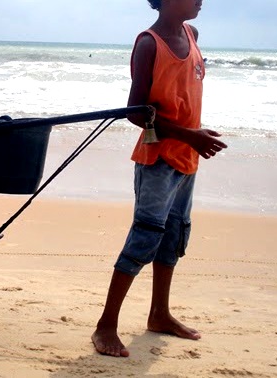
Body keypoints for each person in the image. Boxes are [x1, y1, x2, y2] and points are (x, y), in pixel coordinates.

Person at [91, 0, 227, 358]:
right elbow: (135, 112)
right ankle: (106, 324)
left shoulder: (191, 34)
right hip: (159, 158)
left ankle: (160, 313)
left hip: (187, 156)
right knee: (145, 236)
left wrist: (193, 139)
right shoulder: (150, 43)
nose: (201, 0)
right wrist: (189, 135)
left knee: (174, 235)